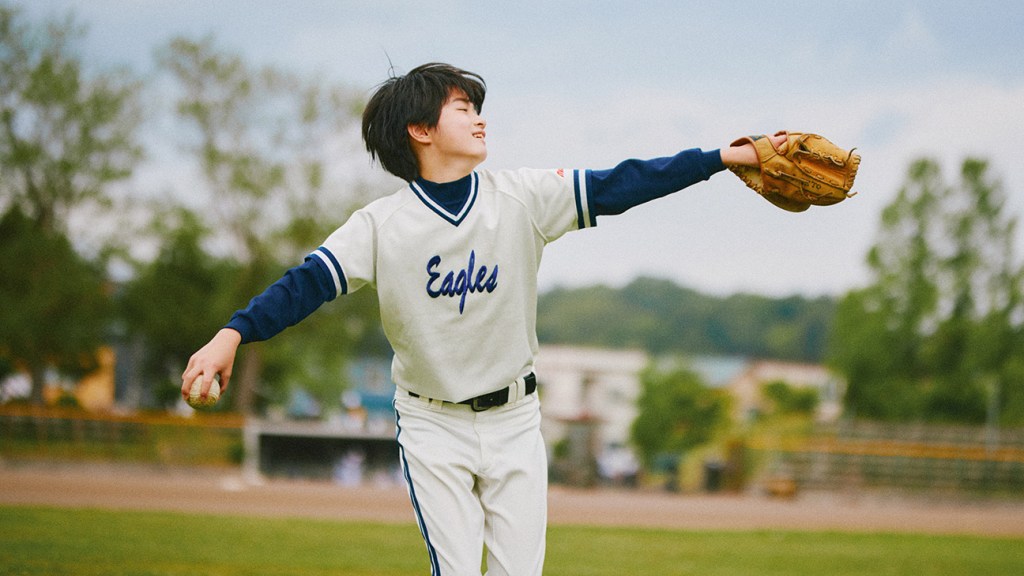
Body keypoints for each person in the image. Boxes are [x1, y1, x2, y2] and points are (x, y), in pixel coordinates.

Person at [181, 62, 783, 575]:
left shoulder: (520, 196)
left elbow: (621, 183)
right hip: (431, 424)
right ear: (420, 130)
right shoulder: (380, 226)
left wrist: (722, 158)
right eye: (463, 107)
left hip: (516, 420)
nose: (479, 117)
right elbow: (305, 285)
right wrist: (231, 333)